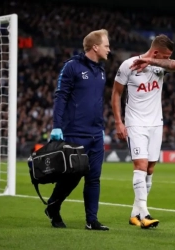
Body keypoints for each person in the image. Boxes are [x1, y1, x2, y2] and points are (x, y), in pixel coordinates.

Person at [111, 34, 175, 229]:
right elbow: (116, 93)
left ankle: (135, 213)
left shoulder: (160, 65)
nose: (167, 59)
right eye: (166, 55)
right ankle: (145, 214)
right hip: (135, 123)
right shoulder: (129, 65)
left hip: (156, 124)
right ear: (157, 51)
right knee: (140, 165)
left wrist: (151, 61)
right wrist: (119, 122)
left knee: (149, 169)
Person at [46, 29, 110, 231]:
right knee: (71, 178)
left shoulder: (101, 72)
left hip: (96, 134)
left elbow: (96, 102)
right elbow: (61, 96)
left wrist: (100, 126)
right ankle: (53, 207)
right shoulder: (72, 67)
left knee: (94, 178)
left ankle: (92, 220)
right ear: (95, 47)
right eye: (107, 45)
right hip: (74, 133)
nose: (109, 49)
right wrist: (57, 126)